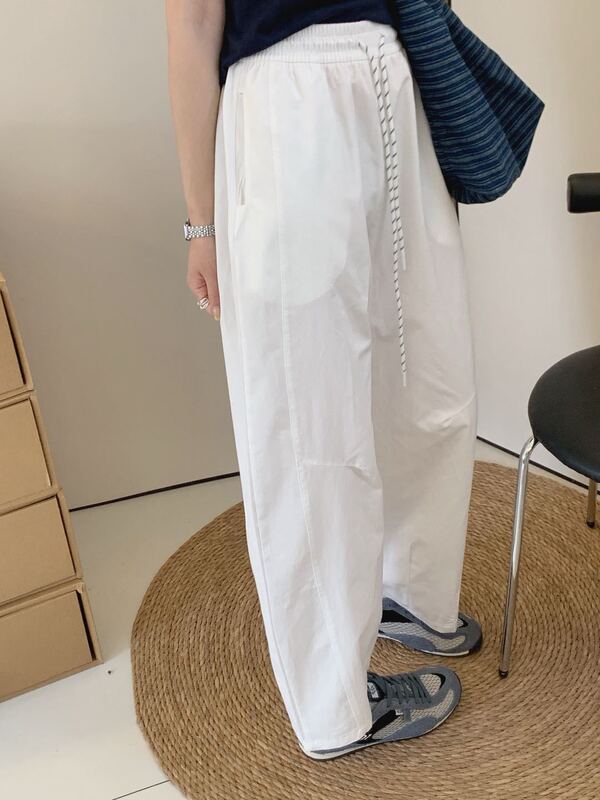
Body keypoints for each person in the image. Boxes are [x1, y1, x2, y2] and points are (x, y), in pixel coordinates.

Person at [165, 0, 482, 760]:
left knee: (426, 374)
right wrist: (202, 221)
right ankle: (332, 705)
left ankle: (412, 591)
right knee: (307, 417)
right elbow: (193, 19)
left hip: (393, 83)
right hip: (288, 102)